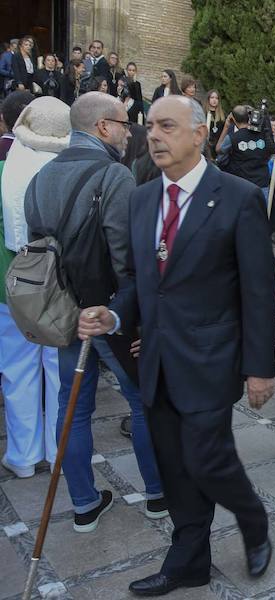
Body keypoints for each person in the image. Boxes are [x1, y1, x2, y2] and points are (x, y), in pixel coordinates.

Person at [77, 95, 275, 596]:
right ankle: (189, 562)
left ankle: (252, 519)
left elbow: (257, 290)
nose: (153, 136)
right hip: (158, 362)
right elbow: (143, 283)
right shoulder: (142, 198)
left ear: (199, 133)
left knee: (207, 460)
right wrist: (115, 313)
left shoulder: (239, 197)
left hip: (212, 361)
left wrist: (260, 368)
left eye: (167, 125)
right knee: (175, 467)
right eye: (148, 127)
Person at [24, 92, 167, 533]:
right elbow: (128, 259)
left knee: (73, 408)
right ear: (103, 127)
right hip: (109, 311)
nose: (130, 132)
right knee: (143, 405)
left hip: (62, 311)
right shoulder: (114, 175)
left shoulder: (41, 177)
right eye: (125, 124)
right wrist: (135, 318)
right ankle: (158, 495)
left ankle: (84, 504)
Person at [0, 95, 66, 479]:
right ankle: (60, 449)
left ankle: (23, 456)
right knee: (58, 369)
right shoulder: (68, 173)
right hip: (60, 287)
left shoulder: (4, 171)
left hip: (9, 286)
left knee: (17, 369)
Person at [217, 105, 275, 191]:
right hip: (261, 184)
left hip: (240, 184)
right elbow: (270, 153)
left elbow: (221, 159)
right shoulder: (263, 135)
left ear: (233, 119)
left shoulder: (232, 138)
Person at [203, 89, 225, 159]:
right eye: (212, 98)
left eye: (216, 98)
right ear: (208, 99)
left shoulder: (223, 115)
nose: (214, 100)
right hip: (206, 146)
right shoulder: (204, 113)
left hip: (218, 147)